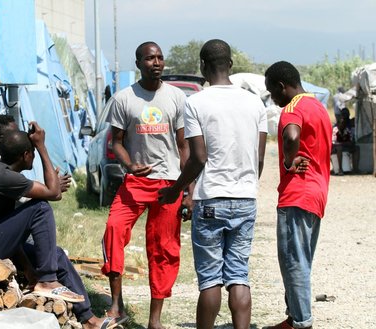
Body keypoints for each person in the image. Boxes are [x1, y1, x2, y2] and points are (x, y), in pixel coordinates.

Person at [158, 39, 268, 329]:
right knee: (239, 276)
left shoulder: (195, 103)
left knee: (210, 279)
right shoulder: (255, 102)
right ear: (230, 64)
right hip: (245, 199)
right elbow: (259, 158)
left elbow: (197, 158)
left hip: (210, 201)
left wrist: (175, 189)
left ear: (203, 66)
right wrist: (245, 184)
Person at [0, 123, 117, 329]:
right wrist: (42, 147)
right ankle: (48, 280)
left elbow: (12, 235)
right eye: (33, 152)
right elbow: (54, 193)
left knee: (56, 254)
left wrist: (29, 269)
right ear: (26, 155)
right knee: (40, 207)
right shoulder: (4, 177)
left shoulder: (1, 172)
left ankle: (89, 320)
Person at [101, 41, 190, 329]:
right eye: (150, 58)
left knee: (163, 248)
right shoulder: (124, 98)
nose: (157, 62)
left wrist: (187, 189)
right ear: (138, 62)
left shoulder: (176, 97)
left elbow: (183, 145)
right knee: (114, 229)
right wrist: (129, 165)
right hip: (136, 181)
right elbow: (116, 142)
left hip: (169, 183)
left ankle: (155, 320)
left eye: (160, 57)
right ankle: (116, 306)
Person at [263, 61, 332, 329]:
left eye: (272, 92)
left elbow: (291, 135)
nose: (273, 97)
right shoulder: (318, 106)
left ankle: (301, 323)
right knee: (301, 259)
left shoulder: (293, 108)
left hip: (297, 193)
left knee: (293, 262)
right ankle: (293, 318)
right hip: (316, 193)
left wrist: (288, 161)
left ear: (282, 86)